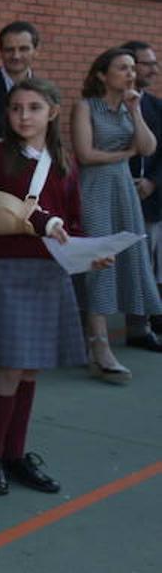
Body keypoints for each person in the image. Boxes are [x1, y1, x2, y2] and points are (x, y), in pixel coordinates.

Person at [0, 79, 107, 494]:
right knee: (10, 367)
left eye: (33, 107)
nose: (23, 116)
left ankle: (15, 454)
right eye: (15, 108)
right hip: (8, 270)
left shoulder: (63, 163)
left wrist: (89, 251)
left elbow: (74, 219)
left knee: (30, 370)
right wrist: (42, 222)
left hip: (48, 271)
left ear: (52, 112)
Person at [71, 47, 162, 383]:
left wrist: (135, 111)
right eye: (122, 68)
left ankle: (96, 341)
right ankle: (99, 344)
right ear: (101, 74)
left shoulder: (129, 106)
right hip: (95, 189)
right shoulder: (85, 107)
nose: (130, 73)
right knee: (99, 262)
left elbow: (149, 146)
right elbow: (85, 153)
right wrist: (125, 153)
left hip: (124, 191)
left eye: (131, 68)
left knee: (126, 258)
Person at [121, 40, 162, 348]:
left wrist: (152, 181)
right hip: (114, 191)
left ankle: (143, 324)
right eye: (147, 63)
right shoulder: (105, 104)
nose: (153, 69)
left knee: (148, 263)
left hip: (150, 197)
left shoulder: (156, 106)